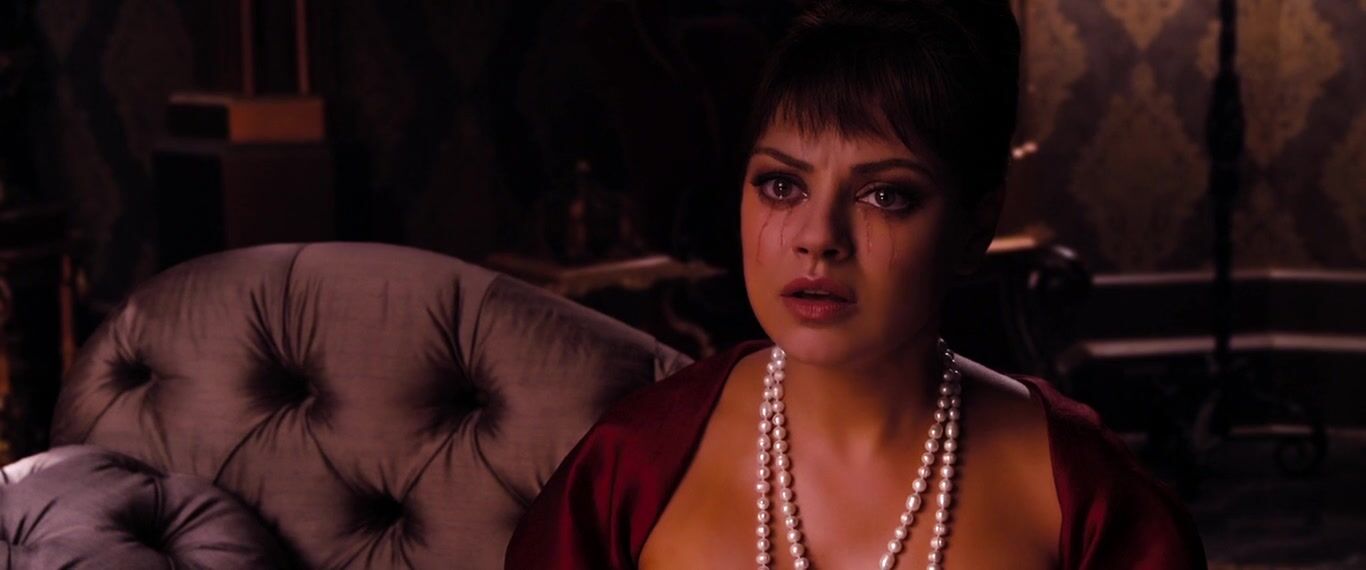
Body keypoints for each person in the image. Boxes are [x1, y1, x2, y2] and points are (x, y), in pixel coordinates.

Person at [506, 0, 1206, 568]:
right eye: (782, 185)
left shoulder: (1082, 493)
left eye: (885, 195)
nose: (818, 236)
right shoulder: (632, 464)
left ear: (974, 226)